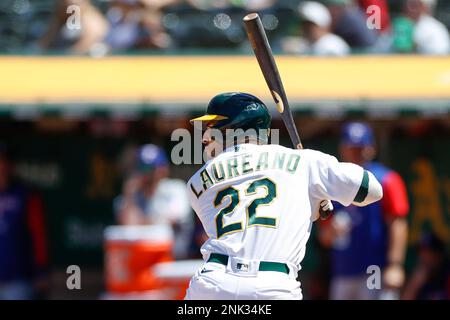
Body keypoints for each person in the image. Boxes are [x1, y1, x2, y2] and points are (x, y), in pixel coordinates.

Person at [184, 93, 383, 300]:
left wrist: (312, 192)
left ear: (237, 127)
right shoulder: (304, 161)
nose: (205, 137)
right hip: (273, 285)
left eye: (212, 126)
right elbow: (372, 190)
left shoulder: (197, 182)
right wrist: (318, 188)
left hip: (213, 284)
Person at [319, 122, 409, 300]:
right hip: (342, 271)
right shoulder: (332, 183)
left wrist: (395, 265)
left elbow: (398, 223)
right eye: (351, 147)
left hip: (374, 269)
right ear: (343, 148)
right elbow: (324, 238)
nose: (356, 152)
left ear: (371, 149)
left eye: (361, 147)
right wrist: (331, 232)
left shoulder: (386, 178)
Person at [114, 144, 192, 259]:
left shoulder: (176, 189)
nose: (147, 174)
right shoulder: (131, 195)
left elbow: (170, 223)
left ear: (164, 169)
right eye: (143, 168)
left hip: (173, 260)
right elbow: (128, 227)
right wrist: (129, 196)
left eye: (151, 168)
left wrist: (141, 221)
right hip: (140, 258)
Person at [0, 145, 49, 300]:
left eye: (4, 162)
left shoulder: (25, 194)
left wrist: (41, 271)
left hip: (17, 281)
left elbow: (39, 235)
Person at [282, 1, 350, 56]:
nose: (307, 28)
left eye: (311, 24)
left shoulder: (332, 45)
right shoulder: (306, 44)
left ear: (323, 26)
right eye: (305, 24)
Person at [402, 232, 449, 300]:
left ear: (439, 255)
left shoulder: (447, 274)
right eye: (421, 253)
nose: (424, 258)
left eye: (429, 253)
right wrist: (414, 285)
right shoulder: (417, 278)